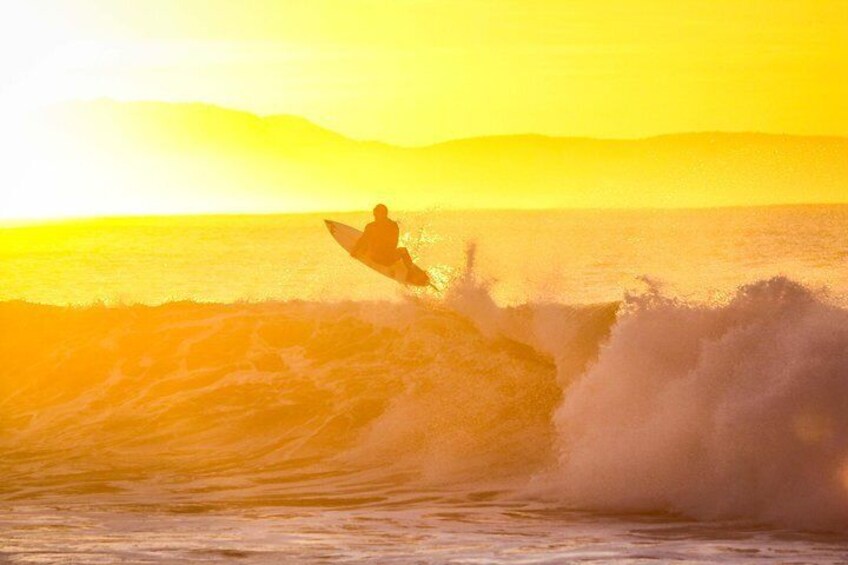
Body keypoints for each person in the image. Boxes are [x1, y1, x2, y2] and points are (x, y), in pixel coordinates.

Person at [351, 204, 415, 270]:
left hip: (373, 257)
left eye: (375, 214)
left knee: (368, 240)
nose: (374, 216)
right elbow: (394, 244)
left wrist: (354, 251)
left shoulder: (370, 226)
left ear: (383, 214)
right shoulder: (393, 225)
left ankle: (363, 251)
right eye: (374, 214)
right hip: (388, 260)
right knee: (403, 250)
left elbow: (362, 240)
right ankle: (411, 271)